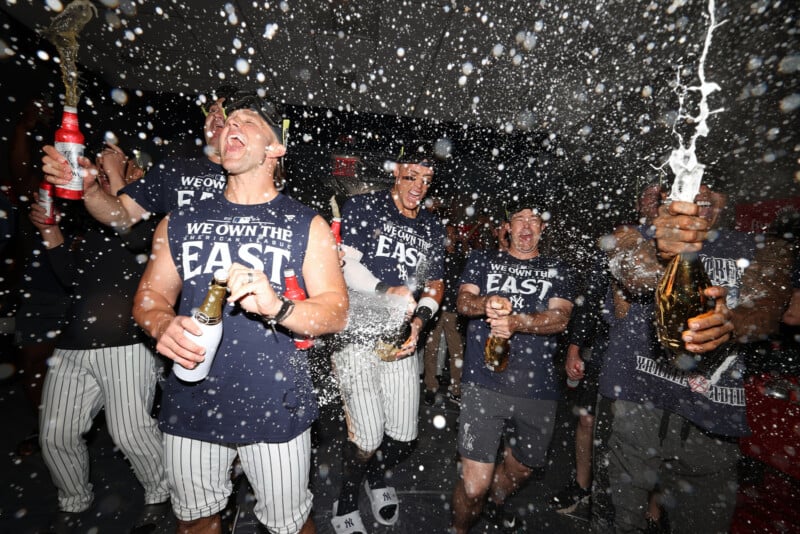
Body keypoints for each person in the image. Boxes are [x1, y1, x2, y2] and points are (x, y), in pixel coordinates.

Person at [132, 94, 348, 534]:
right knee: (195, 522)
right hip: (190, 403)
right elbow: (150, 296)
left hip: (276, 405)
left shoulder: (306, 224)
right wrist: (160, 325)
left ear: (276, 148)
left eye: (248, 121)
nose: (232, 126)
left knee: (289, 525)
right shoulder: (179, 220)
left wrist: (278, 306)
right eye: (229, 120)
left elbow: (335, 313)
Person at [591, 182, 792, 533]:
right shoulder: (636, 233)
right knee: (619, 522)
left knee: (703, 523)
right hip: (637, 404)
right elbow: (632, 271)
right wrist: (664, 252)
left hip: (712, 416)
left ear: (728, 197)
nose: (704, 196)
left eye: (715, 189)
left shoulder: (761, 247)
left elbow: (770, 310)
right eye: (696, 187)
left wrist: (733, 321)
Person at [29, 143, 171, 534]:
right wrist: (52, 233)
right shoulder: (91, 220)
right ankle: (73, 500)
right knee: (55, 433)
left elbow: (138, 242)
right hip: (73, 344)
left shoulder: (152, 215)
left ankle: (160, 495)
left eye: (115, 169)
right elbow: (71, 279)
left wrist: (120, 175)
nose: (104, 174)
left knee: (130, 431)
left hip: (125, 343)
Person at [330, 143, 446, 533]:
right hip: (359, 335)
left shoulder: (431, 225)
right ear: (396, 172)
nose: (419, 185)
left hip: (401, 340)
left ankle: (376, 475)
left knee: (402, 436)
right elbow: (344, 264)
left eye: (427, 179)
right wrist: (385, 289)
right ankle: (345, 499)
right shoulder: (365, 207)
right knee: (366, 437)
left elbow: (435, 284)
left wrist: (419, 323)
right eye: (412, 175)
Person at [449, 194, 575, 533]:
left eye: (534, 220)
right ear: (507, 227)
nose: (526, 226)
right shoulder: (482, 260)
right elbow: (463, 302)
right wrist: (487, 302)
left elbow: (561, 317)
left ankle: (497, 499)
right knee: (473, 487)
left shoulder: (557, 269)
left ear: (542, 228)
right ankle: (460, 527)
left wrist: (518, 321)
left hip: (537, 389)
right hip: (483, 384)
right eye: (519, 219)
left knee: (524, 468)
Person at [550, 182, 662, 520]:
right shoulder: (621, 241)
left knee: (654, 431)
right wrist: (575, 348)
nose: (654, 200)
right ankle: (583, 487)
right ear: (639, 201)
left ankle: (653, 512)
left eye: (661, 195)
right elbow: (592, 295)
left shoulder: (682, 243)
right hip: (606, 347)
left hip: (660, 355)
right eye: (648, 194)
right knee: (587, 419)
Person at [40, 85, 238, 232]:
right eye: (212, 110)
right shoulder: (174, 170)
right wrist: (91, 189)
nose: (217, 116)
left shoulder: (257, 175)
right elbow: (122, 215)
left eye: (226, 112)